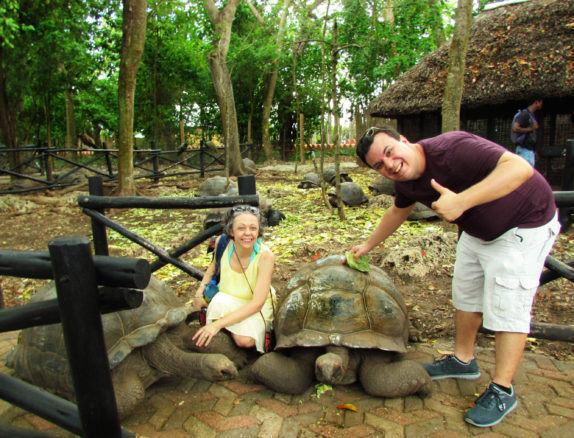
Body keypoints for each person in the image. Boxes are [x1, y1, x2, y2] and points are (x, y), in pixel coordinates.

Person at [350, 126, 559, 428]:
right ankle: (463, 361)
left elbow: (519, 167)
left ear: (404, 141)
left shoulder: (453, 149)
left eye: (389, 152)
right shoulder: (406, 182)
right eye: (379, 166)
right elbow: (397, 212)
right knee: (465, 290)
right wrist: (368, 245)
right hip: (477, 230)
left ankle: (503, 389)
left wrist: (462, 201)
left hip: (525, 223)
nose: (390, 165)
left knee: (507, 303)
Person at [192, 205, 275, 354]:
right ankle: (229, 324)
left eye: (253, 228)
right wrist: (199, 293)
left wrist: (217, 325)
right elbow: (212, 269)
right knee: (217, 304)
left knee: (244, 341)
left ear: (259, 231)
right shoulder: (222, 243)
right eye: (241, 228)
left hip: (255, 304)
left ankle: (227, 326)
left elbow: (257, 303)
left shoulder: (266, 256)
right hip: (228, 298)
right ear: (231, 231)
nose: (247, 233)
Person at [511, 94, 544, 166]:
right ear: (536, 102)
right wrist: (531, 129)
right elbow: (515, 128)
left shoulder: (532, 115)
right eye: (541, 102)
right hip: (524, 150)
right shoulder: (525, 114)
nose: (542, 104)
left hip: (529, 151)